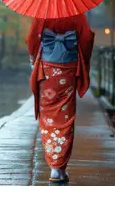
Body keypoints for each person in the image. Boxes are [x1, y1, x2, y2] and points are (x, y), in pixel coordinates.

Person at [26, 14, 95, 184]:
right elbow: (86, 38)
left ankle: (54, 166)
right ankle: (59, 168)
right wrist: (84, 60)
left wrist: (34, 58)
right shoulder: (76, 12)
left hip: (47, 70)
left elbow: (31, 39)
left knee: (48, 115)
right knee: (65, 115)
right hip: (68, 69)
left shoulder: (42, 12)